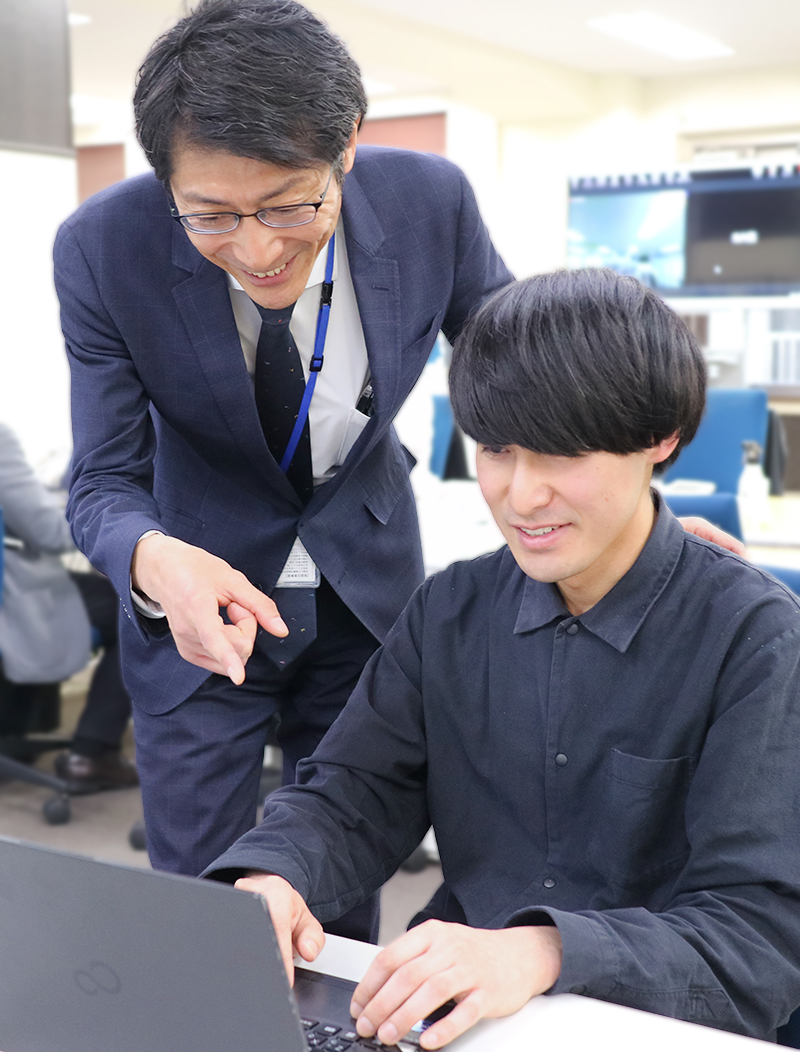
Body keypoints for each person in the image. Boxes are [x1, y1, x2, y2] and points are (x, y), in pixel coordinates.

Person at [54, 0, 740, 921]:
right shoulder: (104, 247)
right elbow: (102, 479)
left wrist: (632, 522)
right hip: (200, 608)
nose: (256, 248)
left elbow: (536, 375)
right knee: (203, 906)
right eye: (211, 215)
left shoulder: (429, 204)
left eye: (289, 204)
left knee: (339, 876)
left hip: (366, 590)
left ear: (346, 147)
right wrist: (152, 558)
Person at [204, 270, 800, 1049]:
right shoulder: (450, 610)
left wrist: (544, 951)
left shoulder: (754, 637)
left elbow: (757, 940)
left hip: (652, 1029)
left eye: (564, 454)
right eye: (498, 450)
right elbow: (355, 791)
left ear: (661, 439)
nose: (521, 496)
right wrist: (276, 874)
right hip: (456, 1014)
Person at [0, 423, 136, 791]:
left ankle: (13, 730)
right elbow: (48, 531)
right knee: (132, 610)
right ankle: (92, 753)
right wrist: (92, 509)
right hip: (13, 609)